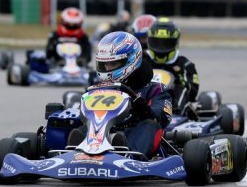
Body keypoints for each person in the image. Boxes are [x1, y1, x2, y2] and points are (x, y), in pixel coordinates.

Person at [70, 31, 173, 159]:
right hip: (101, 132)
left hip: (134, 134)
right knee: (76, 124)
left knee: (149, 125)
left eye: (113, 64)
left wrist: (144, 110)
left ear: (130, 61)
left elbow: (163, 118)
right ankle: (76, 151)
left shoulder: (155, 89)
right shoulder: (98, 89)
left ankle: (128, 156)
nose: (107, 69)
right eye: (105, 64)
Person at [145, 17, 199, 114]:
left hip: (173, 103)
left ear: (175, 42)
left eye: (166, 43)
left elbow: (193, 93)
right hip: (145, 100)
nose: (160, 48)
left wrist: (179, 79)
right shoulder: (143, 60)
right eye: (157, 43)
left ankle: (176, 115)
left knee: (182, 88)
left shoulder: (185, 64)